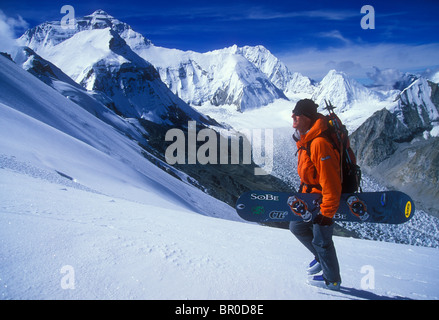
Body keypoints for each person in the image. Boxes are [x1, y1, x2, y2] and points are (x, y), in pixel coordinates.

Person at [290, 99, 342, 291]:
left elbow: (331, 182)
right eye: (293, 112)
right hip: (309, 197)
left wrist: (326, 214)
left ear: (308, 118)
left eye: (298, 114)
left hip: (323, 200)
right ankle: (321, 259)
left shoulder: (319, 143)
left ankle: (332, 280)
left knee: (322, 240)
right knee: (297, 226)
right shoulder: (306, 138)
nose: (293, 116)